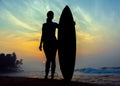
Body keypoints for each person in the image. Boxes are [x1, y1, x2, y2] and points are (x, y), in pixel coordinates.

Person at [39, 11, 58, 79]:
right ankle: (50, 76)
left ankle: (47, 75)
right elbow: (43, 35)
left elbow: (63, 27)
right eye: (52, 15)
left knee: (49, 59)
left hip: (50, 43)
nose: (52, 16)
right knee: (52, 60)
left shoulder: (46, 25)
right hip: (51, 43)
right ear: (51, 16)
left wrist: (40, 44)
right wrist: (40, 44)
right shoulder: (53, 24)